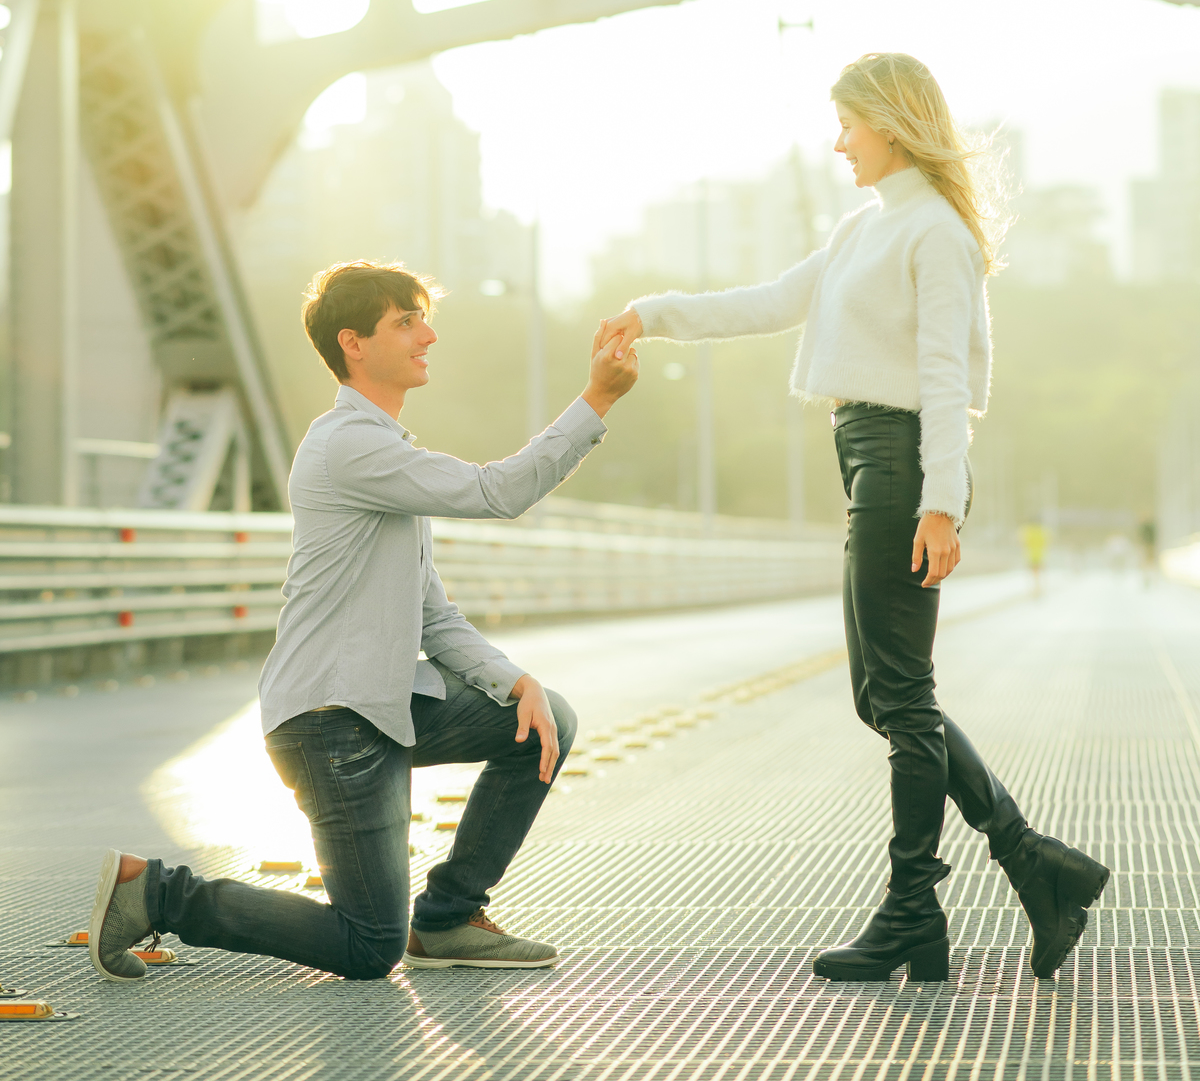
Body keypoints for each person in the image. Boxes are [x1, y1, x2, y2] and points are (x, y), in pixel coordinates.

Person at [600, 53, 1109, 984]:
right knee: (882, 696)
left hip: (904, 465)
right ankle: (1032, 863)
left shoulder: (938, 235)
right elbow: (769, 304)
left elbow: (947, 379)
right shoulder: (861, 229)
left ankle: (916, 910)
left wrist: (942, 504)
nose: (837, 143)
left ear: (891, 121)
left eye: (848, 125)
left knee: (902, 698)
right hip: (868, 464)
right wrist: (650, 312)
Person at [88, 259, 638, 985]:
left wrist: (515, 681)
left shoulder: (384, 452)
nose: (428, 336)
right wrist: (596, 398)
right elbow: (496, 492)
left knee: (543, 719)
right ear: (353, 342)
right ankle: (154, 894)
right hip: (331, 722)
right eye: (406, 323)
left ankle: (447, 919)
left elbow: (433, 614)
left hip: (377, 706)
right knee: (367, 945)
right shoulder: (350, 446)